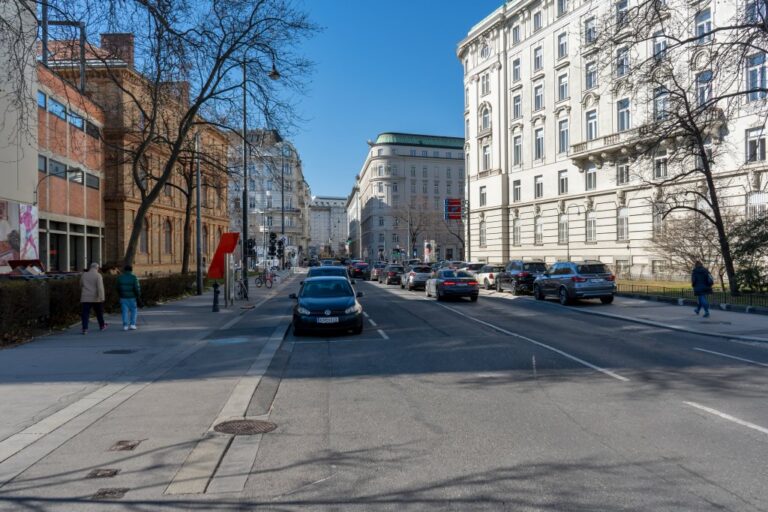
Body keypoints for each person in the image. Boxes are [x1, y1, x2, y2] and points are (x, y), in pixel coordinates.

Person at [80, 262, 107, 334]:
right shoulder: (98, 275)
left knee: (85, 313)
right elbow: (100, 288)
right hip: (96, 298)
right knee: (99, 313)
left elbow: (81, 284)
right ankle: (102, 325)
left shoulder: (84, 275)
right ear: (97, 268)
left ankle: (84, 328)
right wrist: (102, 297)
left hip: (85, 297)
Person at [117, 264, 141, 331]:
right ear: (131, 270)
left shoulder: (120, 277)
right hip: (132, 297)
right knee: (134, 310)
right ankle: (132, 324)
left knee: (124, 311)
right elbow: (137, 288)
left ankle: (125, 325)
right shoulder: (134, 277)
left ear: (124, 270)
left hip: (123, 297)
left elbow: (117, 287)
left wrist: (120, 294)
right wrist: (138, 295)